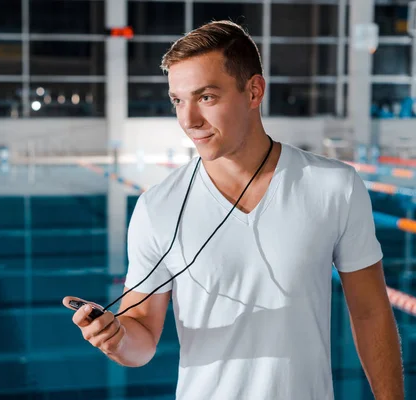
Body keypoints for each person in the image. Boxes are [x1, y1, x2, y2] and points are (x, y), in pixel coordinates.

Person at [63, 20, 404, 399]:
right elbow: (141, 335)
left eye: (206, 97)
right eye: (178, 100)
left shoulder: (332, 186)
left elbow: (371, 312)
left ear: (254, 91)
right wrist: (116, 338)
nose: (189, 120)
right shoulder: (157, 206)